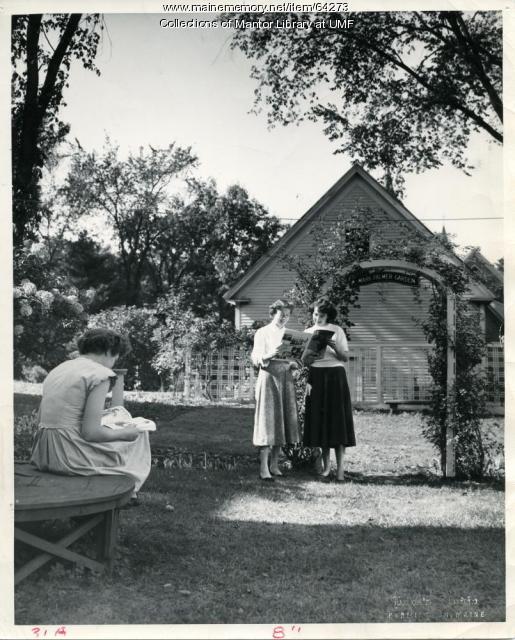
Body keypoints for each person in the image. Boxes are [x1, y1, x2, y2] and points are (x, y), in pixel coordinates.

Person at [30, 328, 151, 503]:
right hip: (69, 457)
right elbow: (91, 433)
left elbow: (43, 417)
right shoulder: (101, 374)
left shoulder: (59, 369)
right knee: (138, 433)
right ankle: (129, 491)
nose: (114, 362)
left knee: (114, 421)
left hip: (43, 453)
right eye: (116, 356)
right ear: (110, 351)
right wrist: (126, 433)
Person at [303, 297, 355, 482]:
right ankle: (326, 468)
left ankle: (340, 469)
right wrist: (307, 356)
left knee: (338, 422)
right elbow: (304, 362)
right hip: (316, 376)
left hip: (335, 375)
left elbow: (345, 357)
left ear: (328, 315)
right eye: (316, 314)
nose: (318, 318)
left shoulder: (337, 330)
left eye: (322, 315)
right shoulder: (308, 332)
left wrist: (333, 347)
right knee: (321, 421)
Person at [251, 299, 300, 480]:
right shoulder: (262, 332)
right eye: (281, 316)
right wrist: (270, 354)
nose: (284, 319)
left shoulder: (289, 334)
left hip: (285, 378)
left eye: (287, 316)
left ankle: (275, 464)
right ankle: (264, 467)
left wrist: (294, 363)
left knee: (281, 420)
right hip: (269, 376)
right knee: (267, 420)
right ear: (273, 314)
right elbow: (256, 357)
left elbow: (294, 358)